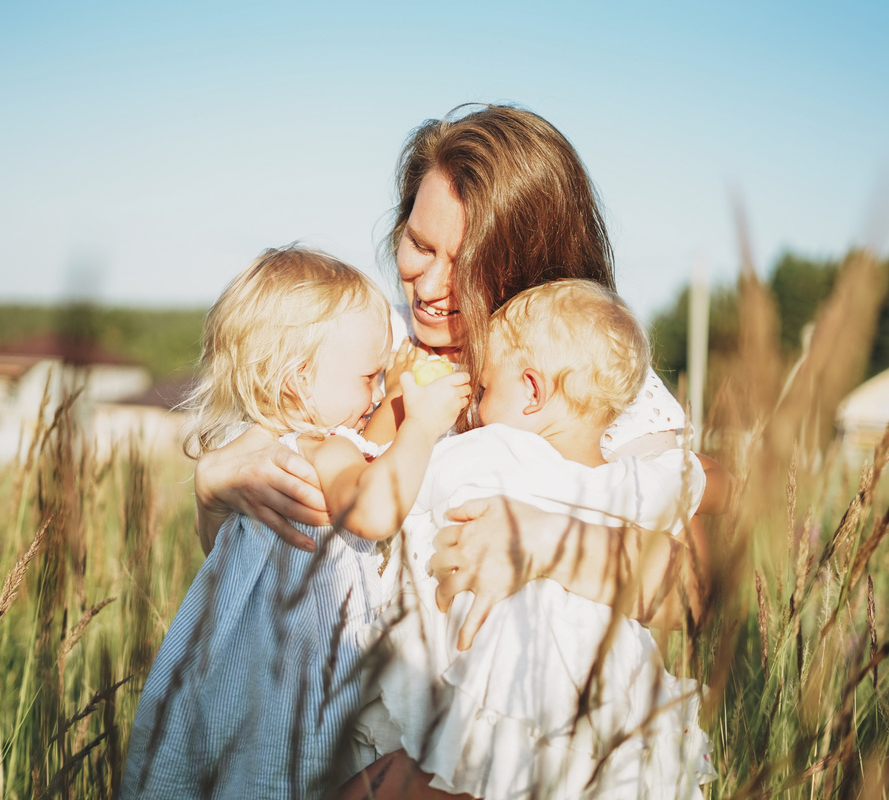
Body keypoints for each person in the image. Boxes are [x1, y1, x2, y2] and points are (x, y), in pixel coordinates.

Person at [193, 103, 716, 640]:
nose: (430, 286)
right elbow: (251, 552)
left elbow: (691, 595)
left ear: (533, 267)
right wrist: (211, 491)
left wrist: (545, 541)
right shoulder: (363, 349)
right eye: (420, 245)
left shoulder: (587, 376)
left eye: (469, 265)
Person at [119, 245, 471, 798]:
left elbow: (364, 449)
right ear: (298, 383)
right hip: (286, 695)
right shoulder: (313, 450)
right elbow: (375, 508)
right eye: (369, 377)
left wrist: (397, 397)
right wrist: (421, 426)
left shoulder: (261, 452)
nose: (375, 392)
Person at [346, 280, 718, 800]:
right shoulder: (626, 481)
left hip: (504, 687)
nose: (474, 406)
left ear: (532, 390)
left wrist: (413, 422)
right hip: (608, 699)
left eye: (483, 391)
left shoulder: (490, 450)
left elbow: (388, 492)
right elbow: (686, 481)